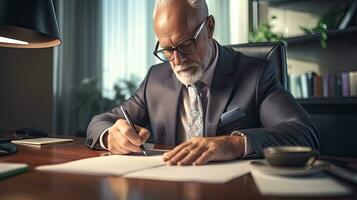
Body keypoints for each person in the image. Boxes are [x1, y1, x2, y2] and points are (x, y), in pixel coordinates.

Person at [86, 0, 319, 165]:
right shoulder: (155, 80)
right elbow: (100, 122)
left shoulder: (256, 75)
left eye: (186, 45)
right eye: (167, 50)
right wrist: (111, 135)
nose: (177, 60)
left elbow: (304, 134)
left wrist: (236, 144)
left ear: (209, 27)